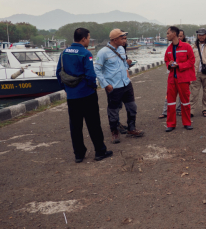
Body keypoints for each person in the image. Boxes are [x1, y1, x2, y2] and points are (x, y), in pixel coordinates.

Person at [56, 28, 112, 163]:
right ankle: (100, 151)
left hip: (71, 96)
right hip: (87, 94)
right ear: (83, 39)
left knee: (75, 125)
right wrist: (93, 87)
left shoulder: (63, 53)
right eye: (88, 38)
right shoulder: (85, 54)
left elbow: (59, 72)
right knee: (93, 124)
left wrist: (65, 88)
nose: (89, 40)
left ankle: (79, 154)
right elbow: (91, 75)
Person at [95, 29, 145, 144]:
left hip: (126, 84)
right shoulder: (103, 52)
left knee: (132, 106)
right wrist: (105, 84)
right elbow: (97, 70)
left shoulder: (122, 49)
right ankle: (114, 131)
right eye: (122, 38)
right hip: (113, 86)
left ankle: (131, 128)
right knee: (113, 110)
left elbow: (123, 65)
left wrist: (127, 66)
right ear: (114, 39)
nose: (124, 40)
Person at [164, 26, 196, 132]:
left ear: (174, 34)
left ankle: (187, 123)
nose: (167, 35)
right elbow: (166, 60)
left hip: (183, 79)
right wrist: (170, 64)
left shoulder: (186, 47)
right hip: (172, 79)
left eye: (168, 33)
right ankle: (171, 124)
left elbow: (191, 61)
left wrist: (179, 65)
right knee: (171, 103)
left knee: (185, 102)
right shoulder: (168, 49)